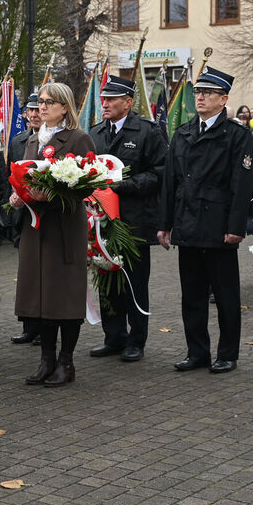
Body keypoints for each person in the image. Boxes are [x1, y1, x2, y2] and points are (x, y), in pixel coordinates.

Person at [158, 66, 253, 375]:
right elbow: (170, 182)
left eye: (207, 93)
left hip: (217, 225)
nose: (199, 97)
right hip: (187, 223)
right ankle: (196, 351)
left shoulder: (237, 135)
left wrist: (236, 227)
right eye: (197, 92)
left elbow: (242, 185)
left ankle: (227, 353)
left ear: (223, 98)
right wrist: (165, 223)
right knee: (192, 295)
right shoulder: (184, 132)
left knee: (225, 295)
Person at [9, 82, 95, 387]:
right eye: (39, 102)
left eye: (49, 102)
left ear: (64, 106)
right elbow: (23, 177)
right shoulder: (32, 140)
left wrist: (51, 197)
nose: (41, 107)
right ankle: (46, 360)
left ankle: (66, 362)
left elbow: (87, 186)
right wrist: (18, 197)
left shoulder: (78, 138)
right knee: (41, 296)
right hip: (36, 229)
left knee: (64, 295)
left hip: (64, 228)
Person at [87, 75, 168, 362]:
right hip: (102, 222)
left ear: (128, 103)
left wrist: (122, 185)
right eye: (103, 99)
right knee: (107, 279)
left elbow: (161, 173)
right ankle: (114, 337)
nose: (104, 103)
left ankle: (137, 339)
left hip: (134, 221)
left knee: (134, 282)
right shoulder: (96, 133)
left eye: (111, 99)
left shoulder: (147, 131)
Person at [8, 94, 43, 346]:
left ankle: (45, 328)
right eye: (29, 110)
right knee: (28, 275)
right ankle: (29, 326)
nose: (33, 114)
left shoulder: (54, 141)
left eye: (38, 109)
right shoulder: (19, 140)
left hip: (45, 215)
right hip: (23, 216)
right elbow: (8, 176)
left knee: (45, 275)